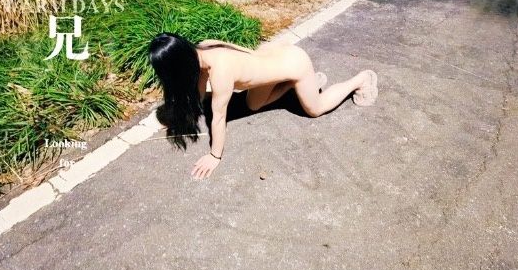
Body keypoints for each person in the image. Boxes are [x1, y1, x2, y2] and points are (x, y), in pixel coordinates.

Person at [148, 32, 378, 180]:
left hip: (294, 62)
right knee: (253, 104)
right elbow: (198, 93)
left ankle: (360, 80)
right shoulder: (202, 49)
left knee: (315, 109)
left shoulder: (221, 72)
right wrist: (176, 115)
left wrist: (215, 156)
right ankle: (296, 84)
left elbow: (218, 118)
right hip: (273, 56)